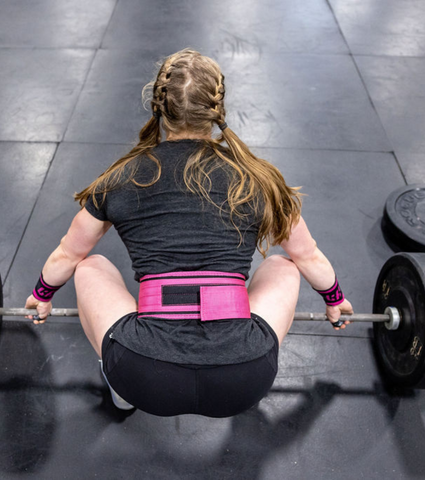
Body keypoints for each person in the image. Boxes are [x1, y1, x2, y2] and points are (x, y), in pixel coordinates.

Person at [24, 49, 354, 417]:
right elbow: (307, 256)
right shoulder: (259, 179)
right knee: (285, 266)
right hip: (244, 379)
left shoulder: (120, 178)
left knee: (89, 265)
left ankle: (121, 393)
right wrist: (334, 300)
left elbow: (68, 255)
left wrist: (42, 294)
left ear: (159, 106)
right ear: (217, 108)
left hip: (144, 377)